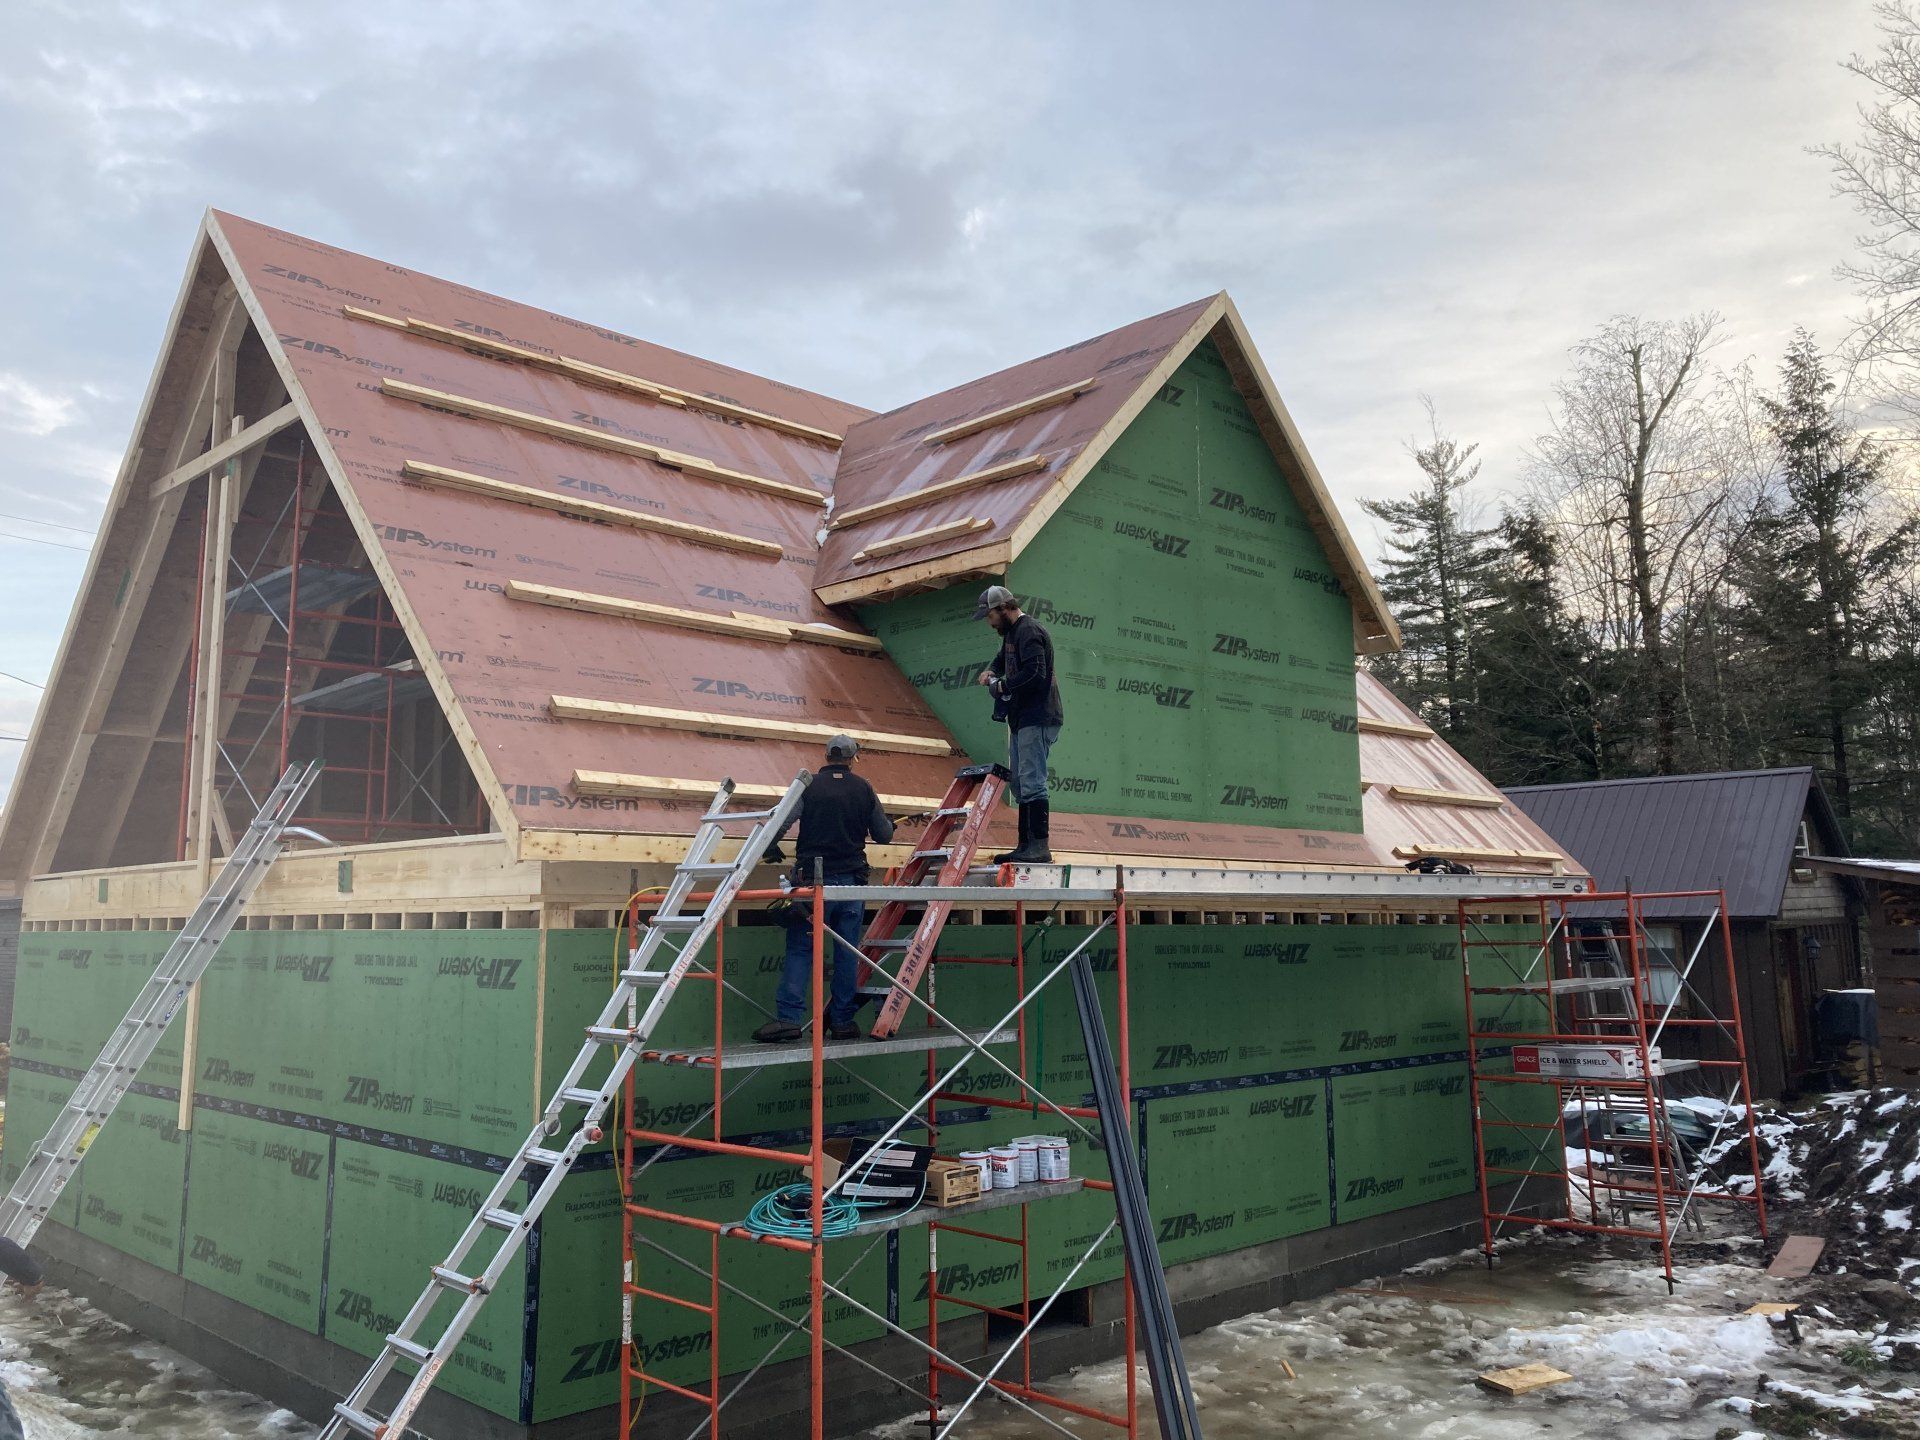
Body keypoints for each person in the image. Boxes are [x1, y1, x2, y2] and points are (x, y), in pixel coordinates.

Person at [754, 736, 895, 1043]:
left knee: (801, 949)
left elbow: (780, 822)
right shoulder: (864, 788)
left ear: (826, 755)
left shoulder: (809, 785)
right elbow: (883, 835)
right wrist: (890, 825)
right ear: (853, 758)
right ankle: (842, 1021)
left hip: (811, 884)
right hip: (850, 886)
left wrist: (771, 846)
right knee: (846, 953)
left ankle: (789, 1020)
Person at [974, 585, 1063, 864]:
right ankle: (1026, 846)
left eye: (990, 616)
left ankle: (1039, 847)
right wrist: (992, 670)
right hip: (1023, 718)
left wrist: (1002, 686)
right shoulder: (1012, 633)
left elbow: (1036, 674)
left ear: (1003, 608)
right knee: (1021, 784)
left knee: (1033, 782)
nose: (989, 623)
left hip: (1039, 716)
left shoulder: (1029, 631)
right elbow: (1004, 658)